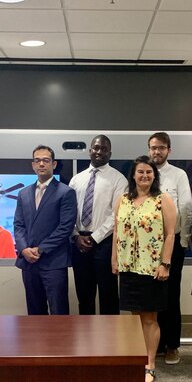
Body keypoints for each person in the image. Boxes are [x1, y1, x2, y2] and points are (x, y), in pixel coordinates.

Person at [113, 156, 177, 382]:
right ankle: (136, 359)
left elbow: (171, 234)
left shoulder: (163, 199)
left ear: (154, 175)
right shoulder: (123, 200)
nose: (144, 176)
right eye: (140, 172)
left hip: (152, 268)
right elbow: (117, 232)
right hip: (128, 266)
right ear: (133, 174)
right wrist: (115, 259)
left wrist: (165, 263)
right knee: (134, 316)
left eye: (149, 172)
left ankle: (149, 364)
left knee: (150, 318)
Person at [14, 145, 77, 315]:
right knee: (34, 313)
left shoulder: (66, 192)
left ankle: (60, 343)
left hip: (53, 262)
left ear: (54, 164)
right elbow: (18, 225)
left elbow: (65, 227)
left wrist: (41, 249)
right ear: (33, 165)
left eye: (46, 160)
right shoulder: (23, 193)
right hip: (28, 262)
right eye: (37, 160)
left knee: (58, 313)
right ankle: (36, 344)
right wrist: (24, 249)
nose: (41, 164)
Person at [69, 135, 127, 315]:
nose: (99, 151)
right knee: (84, 296)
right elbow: (68, 213)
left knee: (108, 296)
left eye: (104, 148)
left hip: (105, 244)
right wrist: (76, 235)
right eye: (96, 148)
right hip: (78, 244)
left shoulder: (119, 180)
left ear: (110, 152)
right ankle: (86, 340)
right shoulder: (76, 180)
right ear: (90, 151)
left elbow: (117, 215)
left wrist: (94, 238)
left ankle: (109, 342)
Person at [147, 132, 192, 365]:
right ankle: (155, 344)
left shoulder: (178, 175)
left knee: (171, 296)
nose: (157, 152)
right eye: (153, 148)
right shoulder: (143, 173)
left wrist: (184, 241)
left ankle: (172, 345)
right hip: (146, 248)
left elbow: (186, 207)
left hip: (171, 243)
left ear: (169, 151)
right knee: (150, 296)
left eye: (161, 148)